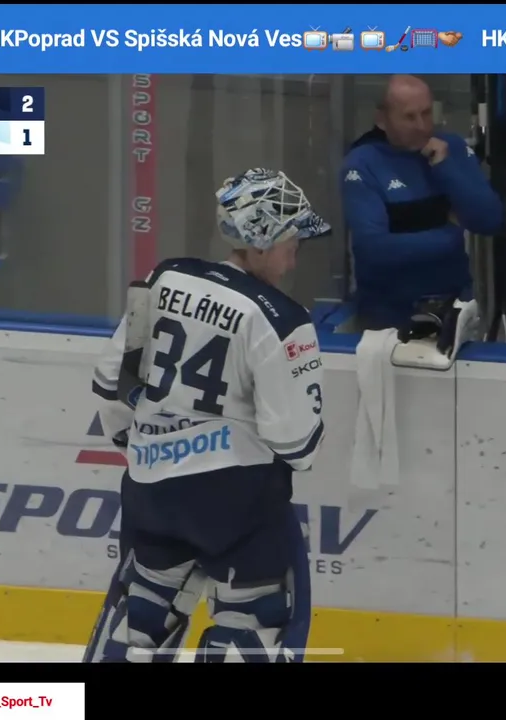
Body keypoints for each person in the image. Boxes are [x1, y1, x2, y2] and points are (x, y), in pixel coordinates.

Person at [84, 168, 329, 663]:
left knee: (142, 612)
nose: (295, 253)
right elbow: (296, 443)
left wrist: (151, 446)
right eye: (291, 240)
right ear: (260, 242)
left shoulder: (165, 277)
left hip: (150, 490)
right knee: (255, 622)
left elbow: (111, 383)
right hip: (239, 502)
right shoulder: (280, 318)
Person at [341, 74, 503, 331]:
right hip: (388, 315)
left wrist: (445, 169)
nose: (421, 126)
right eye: (409, 117)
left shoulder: (451, 148)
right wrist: (451, 235)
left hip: (454, 306)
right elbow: (373, 250)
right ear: (382, 119)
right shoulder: (363, 163)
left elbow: (491, 219)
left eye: (426, 113)